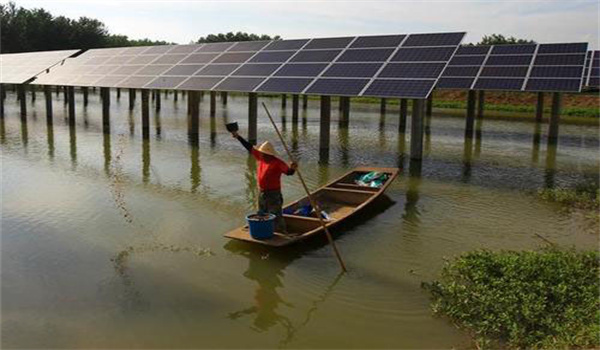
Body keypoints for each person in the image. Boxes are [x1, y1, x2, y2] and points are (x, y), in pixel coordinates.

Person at [231, 131, 297, 234]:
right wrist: (238, 137)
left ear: (268, 154)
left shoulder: (277, 162)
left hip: (273, 193)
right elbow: (249, 147)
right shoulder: (261, 158)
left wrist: (293, 168)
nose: (261, 154)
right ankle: (264, 229)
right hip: (262, 192)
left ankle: (281, 231)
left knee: (275, 214)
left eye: (263, 153)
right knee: (262, 212)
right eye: (261, 153)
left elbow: (288, 172)